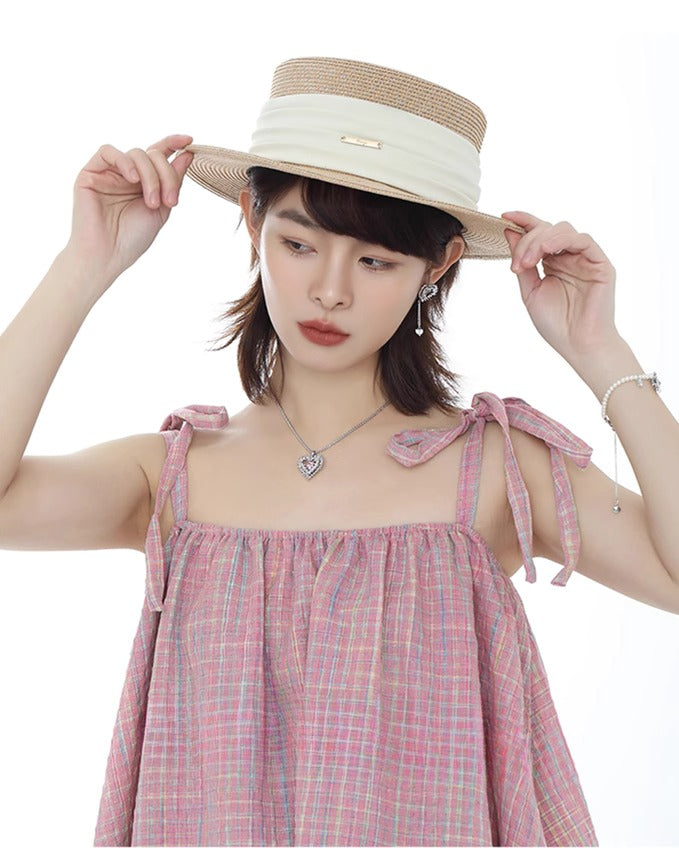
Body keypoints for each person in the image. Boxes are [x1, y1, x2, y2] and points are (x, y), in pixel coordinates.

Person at [1, 56, 677, 847]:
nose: (330, 290)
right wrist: (83, 265)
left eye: (375, 260)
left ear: (438, 266)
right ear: (251, 224)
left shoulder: (493, 469)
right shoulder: (173, 474)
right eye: (298, 243)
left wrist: (599, 350)